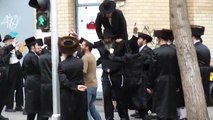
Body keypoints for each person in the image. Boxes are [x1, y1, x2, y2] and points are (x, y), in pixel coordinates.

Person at [94, 28, 129, 120]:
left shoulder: (120, 45)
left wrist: (123, 39)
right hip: (106, 75)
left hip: (118, 75)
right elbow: (88, 45)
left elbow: (127, 54)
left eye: (108, 38)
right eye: (105, 38)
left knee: (120, 98)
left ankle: (123, 117)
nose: (107, 40)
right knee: (106, 98)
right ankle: (109, 118)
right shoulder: (101, 46)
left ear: (112, 38)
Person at [147, 29, 180, 120]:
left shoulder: (155, 52)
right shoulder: (174, 51)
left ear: (159, 39)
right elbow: (177, 69)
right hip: (172, 80)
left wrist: (150, 85)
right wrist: (178, 84)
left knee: (161, 104)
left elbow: (152, 70)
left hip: (160, 81)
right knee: (171, 103)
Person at [58, 36, 88, 120]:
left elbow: (63, 81)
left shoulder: (62, 65)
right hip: (80, 95)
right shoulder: (80, 62)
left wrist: (75, 87)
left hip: (67, 97)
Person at [80, 38, 102, 120]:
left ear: (87, 47)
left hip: (87, 86)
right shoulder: (92, 56)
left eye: (82, 45)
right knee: (91, 107)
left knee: (86, 109)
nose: (81, 46)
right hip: (94, 85)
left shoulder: (85, 57)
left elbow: (84, 71)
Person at [22, 37, 41, 120]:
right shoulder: (33, 57)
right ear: (32, 46)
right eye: (36, 44)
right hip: (35, 83)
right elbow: (39, 69)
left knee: (31, 108)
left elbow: (22, 71)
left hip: (29, 81)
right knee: (34, 108)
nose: (38, 46)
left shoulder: (26, 56)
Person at [3, 35, 23, 112]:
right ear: (6, 42)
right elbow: (4, 59)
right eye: (10, 40)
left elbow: (20, 57)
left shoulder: (14, 48)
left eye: (12, 40)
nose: (11, 41)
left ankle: (19, 105)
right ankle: (9, 106)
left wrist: (17, 50)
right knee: (11, 88)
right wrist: (11, 52)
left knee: (19, 87)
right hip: (10, 68)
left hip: (17, 66)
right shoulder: (4, 49)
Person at [191, 25, 211, 106]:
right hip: (207, 70)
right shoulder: (205, 47)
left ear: (192, 36)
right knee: (205, 89)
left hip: (198, 71)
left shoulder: (194, 48)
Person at [0, 34, 17, 120]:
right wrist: (12, 46)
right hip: (2, 75)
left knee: (3, 96)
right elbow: (3, 55)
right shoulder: (2, 48)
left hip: (4, 75)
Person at [39, 36, 52, 120]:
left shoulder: (41, 57)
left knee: (44, 111)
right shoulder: (55, 56)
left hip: (44, 84)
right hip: (52, 84)